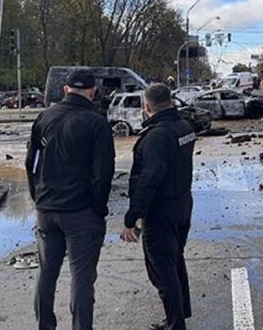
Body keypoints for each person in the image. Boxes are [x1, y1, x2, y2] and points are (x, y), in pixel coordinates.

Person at [26, 69, 115, 330]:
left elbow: (31, 163)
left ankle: (45, 326)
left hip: (46, 209)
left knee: (46, 273)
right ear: (93, 92)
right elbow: (103, 172)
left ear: (65, 90)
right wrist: (98, 208)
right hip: (80, 211)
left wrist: (37, 196)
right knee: (82, 279)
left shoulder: (44, 117)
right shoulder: (96, 122)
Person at [121, 84, 196, 330]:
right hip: (182, 204)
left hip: (161, 210)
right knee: (175, 261)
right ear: (171, 101)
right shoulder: (183, 126)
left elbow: (149, 180)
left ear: (147, 106)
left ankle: (175, 324)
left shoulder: (157, 136)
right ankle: (179, 315)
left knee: (162, 270)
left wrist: (132, 217)